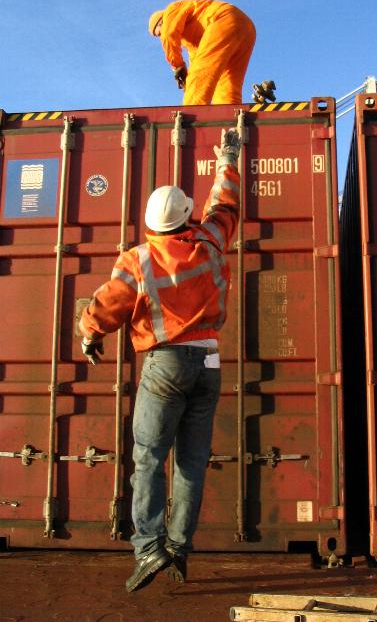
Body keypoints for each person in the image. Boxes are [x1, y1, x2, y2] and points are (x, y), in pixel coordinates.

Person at [79, 128, 241, 592]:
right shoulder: (209, 241)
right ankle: (180, 548)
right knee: (191, 461)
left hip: (165, 365)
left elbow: (108, 307)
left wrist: (87, 331)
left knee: (149, 458)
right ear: (187, 217)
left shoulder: (138, 260)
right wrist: (228, 156)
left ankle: (150, 548)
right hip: (209, 362)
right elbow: (224, 206)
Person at [148, 0, 256, 106]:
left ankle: (190, 117)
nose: (160, 37)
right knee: (227, 83)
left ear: (161, 22)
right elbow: (197, 61)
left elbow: (169, 35)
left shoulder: (171, 11)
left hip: (222, 19)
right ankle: (231, 118)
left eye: (159, 33)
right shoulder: (191, 38)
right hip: (246, 29)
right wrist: (187, 79)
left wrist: (178, 66)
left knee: (199, 79)